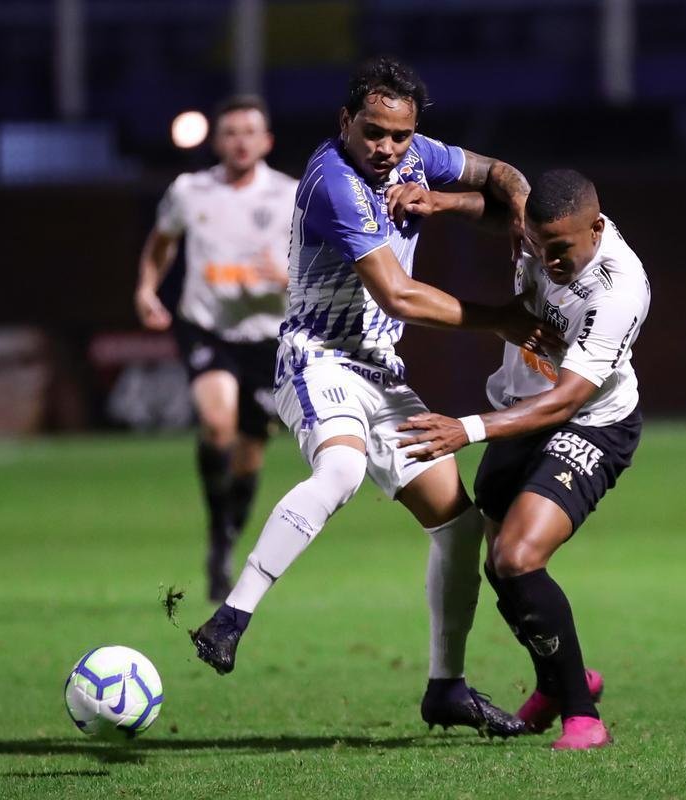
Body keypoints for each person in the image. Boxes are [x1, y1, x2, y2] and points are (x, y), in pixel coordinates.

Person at [190, 56, 563, 737]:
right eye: (373, 133)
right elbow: (398, 294)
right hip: (317, 358)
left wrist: (491, 207)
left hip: (381, 373)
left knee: (457, 527)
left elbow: (502, 177)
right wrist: (502, 316)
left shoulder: (416, 155)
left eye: (398, 135)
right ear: (346, 122)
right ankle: (230, 617)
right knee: (339, 470)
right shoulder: (333, 180)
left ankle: (445, 688)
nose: (387, 149)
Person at [397, 169, 651, 750]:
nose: (548, 259)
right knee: (500, 569)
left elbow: (566, 399)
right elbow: (501, 203)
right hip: (518, 409)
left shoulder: (616, 290)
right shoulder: (537, 228)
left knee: (516, 557)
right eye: (540, 245)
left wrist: (464, 430)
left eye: (561, 249)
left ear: (597, 225)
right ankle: (559, 681)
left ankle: (583, 717)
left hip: (586, 425)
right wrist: (442, 203)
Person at [135, 96, 298, 602]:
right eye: (230, 132)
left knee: (250, 453)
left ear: (266, 141)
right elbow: (162, 241)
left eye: (250, 131)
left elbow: (322, 264)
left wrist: (289, 278)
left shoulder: (292, 195)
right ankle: (216, 534)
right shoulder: (190, 190)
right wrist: (145, 287)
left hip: (267, 336)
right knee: (217, 423)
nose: (240, 140)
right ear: (216, 141)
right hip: (206, 326)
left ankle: (225, 538)